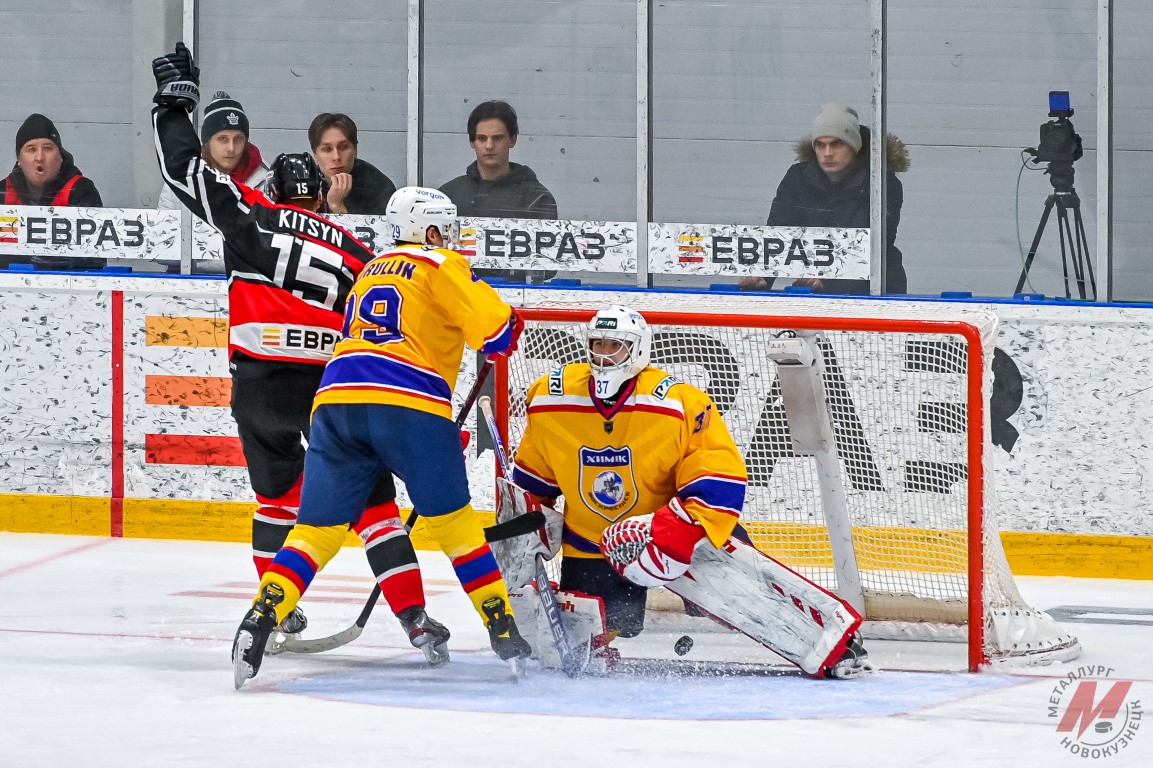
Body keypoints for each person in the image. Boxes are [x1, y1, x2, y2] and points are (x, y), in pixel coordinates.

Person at [151, 43, 440, 663]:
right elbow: (398, 314)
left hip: (259, 387)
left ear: (275, 188)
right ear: (320, 194)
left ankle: (278, 610)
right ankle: (415, 617)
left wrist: (173, 107)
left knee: (276, 500)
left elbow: (182, 171)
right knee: (374, 505)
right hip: (330, 389)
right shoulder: (355, 249)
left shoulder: (248, 215)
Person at [231, 186, 532, 687]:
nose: (452, 237)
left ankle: (258, 621)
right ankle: (503, 629)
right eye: (447, 228)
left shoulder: (370, 270)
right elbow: (499, 333)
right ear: (431, 231)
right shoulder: (440, 264)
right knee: (456, 527)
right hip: (408, 402)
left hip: (336, 403)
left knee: (315, 534)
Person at [508, 305, 747, 639]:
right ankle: (608, 633)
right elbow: (534, 481)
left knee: (733, 595)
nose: (604, 354)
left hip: (665, 535)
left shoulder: (680, 404)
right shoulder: (551, 398)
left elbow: (717, 476)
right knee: (609, 627)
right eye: (598, 344)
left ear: (637, 349)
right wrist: (527, 526)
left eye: (614, 345)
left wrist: (680, 529)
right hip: (590, 543)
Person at [740, 102, 908, 295]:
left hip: (876, 291)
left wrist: (826, 279)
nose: (827, 153)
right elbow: (778, 234)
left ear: (854, 146)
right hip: (815, 291)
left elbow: (874, 245)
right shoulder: (798, 178)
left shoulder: (882, 183)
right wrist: (762, 275)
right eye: (820, 145)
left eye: (836, 144)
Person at [439, 99, 557, 284]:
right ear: (472, 142)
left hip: (516, 303)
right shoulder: (448, 196)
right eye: (481, 138)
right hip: (457, 301)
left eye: (497, 138)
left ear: (513, 139)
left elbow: (547, 266)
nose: (489, 146)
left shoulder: (536, 197)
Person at [0, 113, 105, 271]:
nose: (40, 157)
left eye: (48, 148)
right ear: (19, 160)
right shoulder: (3, 193)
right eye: (31, 149)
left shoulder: (81, 191)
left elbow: (93, 260)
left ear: (61, 157)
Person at [157, 91, 268, 210]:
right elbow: (163, 226)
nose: (231, 148)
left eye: (238, 139)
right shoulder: (182, 175)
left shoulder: (265, 181)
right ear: (207, 143)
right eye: (222, 139)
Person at [307, 112, 396, 215]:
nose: (336, 157)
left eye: (343, 147)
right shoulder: (303, 184)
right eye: (327, 149)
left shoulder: (378, 187)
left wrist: (337, 206)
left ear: (355, 150)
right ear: (315, 155)